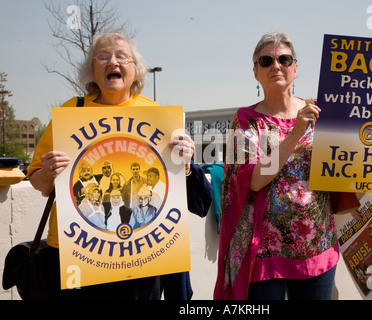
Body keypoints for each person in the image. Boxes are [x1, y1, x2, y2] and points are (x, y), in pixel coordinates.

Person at [28, 32, 212, 300]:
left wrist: (184, 163)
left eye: (121, 56)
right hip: (78, 254)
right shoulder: (72, 112)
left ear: (135, 70)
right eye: (103, 57)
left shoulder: (156, 115)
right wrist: (47, 171)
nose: (112, 62)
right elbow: (39, 183)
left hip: (143, 260)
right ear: (92, 70)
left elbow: (175, 185)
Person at [214, 31, 339, 300]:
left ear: (295, 68)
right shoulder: (245, 120)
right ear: (255, 72)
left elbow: (358, 152)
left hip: (318, 248)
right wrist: (295, 133)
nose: (276, 66)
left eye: (284, 59)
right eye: (266, 61)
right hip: (264, 257)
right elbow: (255, 179)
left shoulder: (321, 111)